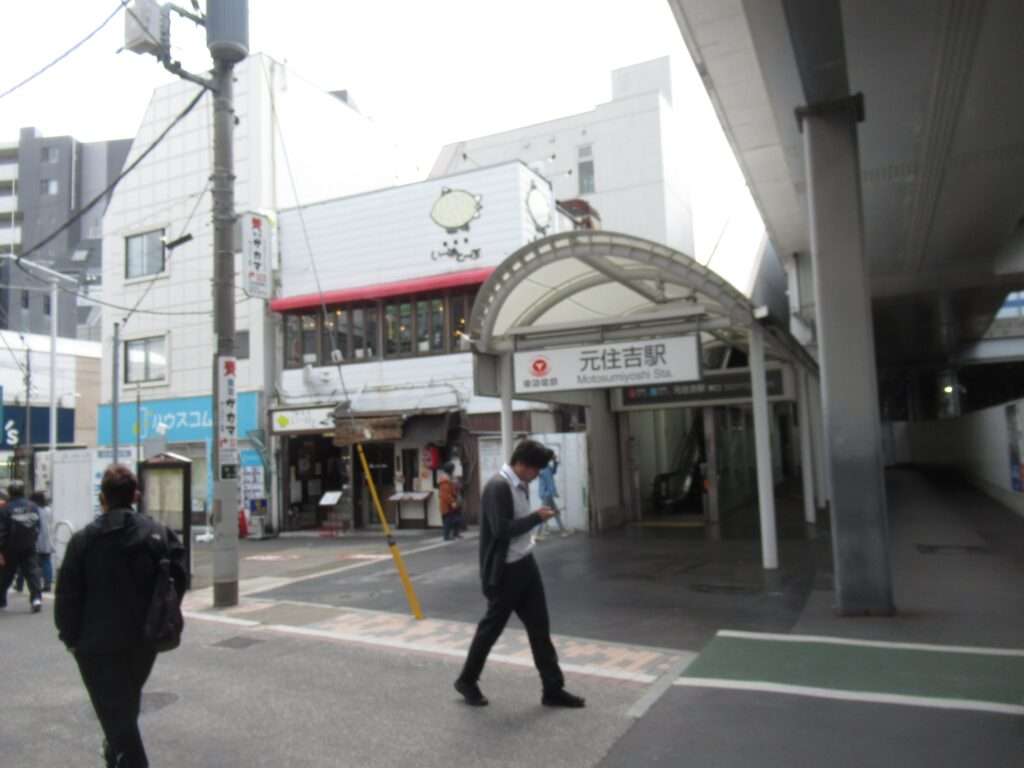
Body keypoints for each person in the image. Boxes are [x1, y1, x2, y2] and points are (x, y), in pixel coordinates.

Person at [55, 464, 187, 768]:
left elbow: (67, 597)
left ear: (102, 498)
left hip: (94, 644)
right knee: (124, 707)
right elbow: (178, 578)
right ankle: (116, 756)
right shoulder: (157, 534)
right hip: (144, 639)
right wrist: (162, 615)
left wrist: (70, 638)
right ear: (136, 495)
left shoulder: (83, 541)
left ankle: (123, 758)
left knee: (116, 715)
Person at [454, 440, 585, 709]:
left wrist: (536, 518)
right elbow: (501, 529)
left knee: (540, 629)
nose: (537, 476)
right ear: (522, 465)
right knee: (490, 630)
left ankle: (553, 689)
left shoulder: (518, 485)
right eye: (536, 470)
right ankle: (467, 680)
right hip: (505, 572)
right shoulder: (497, 487)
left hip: (525, 563)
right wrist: (537, 518)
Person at [0, 481, 43, 613]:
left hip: (10, 548)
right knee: (32, 572)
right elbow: (38, 526)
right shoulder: (33, 506)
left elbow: (1, 530)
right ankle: (36, 598)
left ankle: (1, 600)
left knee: (5, 575)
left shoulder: (6, 509)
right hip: (29, 545)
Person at [16, 491, 54, 593]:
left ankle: (19, 584)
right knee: (46, 562)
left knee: (25, 562)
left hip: (35, 540)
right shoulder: (48, 510)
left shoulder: (33, 510)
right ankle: (47, 584)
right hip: (47, 540)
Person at [536, 454, 569, 539]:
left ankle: (562, 530)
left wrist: (555, 462)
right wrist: (554, 492)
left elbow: (553, 472)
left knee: (555, 512)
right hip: (547, 494)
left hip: (546, 494)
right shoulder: (545, 469)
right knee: (544, 513)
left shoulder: (545, 467)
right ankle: (537, 534)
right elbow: (550, 481)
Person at [439, 462, 460, 541]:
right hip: (447, 505)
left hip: (451, 502)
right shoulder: (445, 481)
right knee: (448, 520)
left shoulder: (449, 478)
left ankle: (454, 534)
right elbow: (446, 495)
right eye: (452, 469)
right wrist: (452, 502)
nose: (453, 470)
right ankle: (446, 536)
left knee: (453, 519)